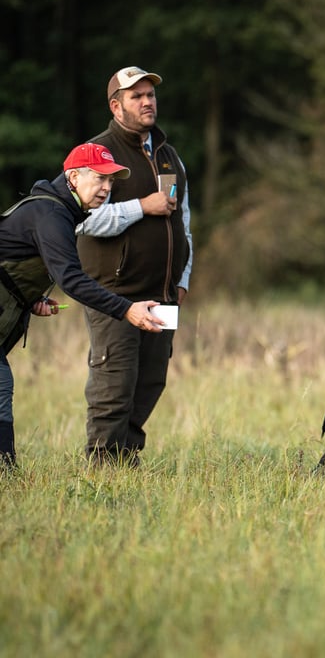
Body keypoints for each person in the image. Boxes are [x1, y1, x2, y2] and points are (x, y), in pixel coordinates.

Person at [0, 143, 166, 467]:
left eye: (111, 181)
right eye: (100, 178)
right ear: (73, 177)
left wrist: (30, 298)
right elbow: (72, 280)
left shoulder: (59, 212)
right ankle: (5, 470)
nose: (107, 188)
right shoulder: (51, 215)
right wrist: (126, 309)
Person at [76, 66, 192, 467]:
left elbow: (184, 222)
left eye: (150, 95)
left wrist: (182, 279)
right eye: (136, 96)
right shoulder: (97, 154)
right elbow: (84, 220)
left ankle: (125, 458)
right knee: (115, 381)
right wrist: (142, 206)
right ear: (116, 106)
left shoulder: (169, 155)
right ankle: (103, 466)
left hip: (163, 294)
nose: (147, 102)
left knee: (151, 381)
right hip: (114, 293)